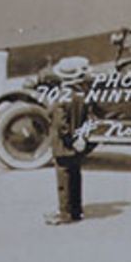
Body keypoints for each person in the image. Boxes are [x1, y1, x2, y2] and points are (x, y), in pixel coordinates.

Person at [45, 56, 91, 226]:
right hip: (78, 144)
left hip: (63, 146)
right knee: (76, 177)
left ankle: (64, 213)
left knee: (63, 180)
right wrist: (80, 139)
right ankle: (77, 211)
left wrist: (70, 141)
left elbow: (60, 124)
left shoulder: (60, 98)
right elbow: (88, 119)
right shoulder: (82, 96)